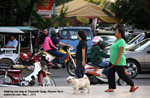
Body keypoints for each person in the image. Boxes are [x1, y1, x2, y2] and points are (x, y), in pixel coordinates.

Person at [105, 25, 139, 92]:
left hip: (119, 61)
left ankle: (132, 84)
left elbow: (121, 52)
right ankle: (111, 88)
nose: (115, 33)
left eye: (116, 32)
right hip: (112, 60)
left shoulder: (121, 41)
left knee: (122, 75)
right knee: (110, 74)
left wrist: (117, 60)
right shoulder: (116, 41)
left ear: (120, 34)